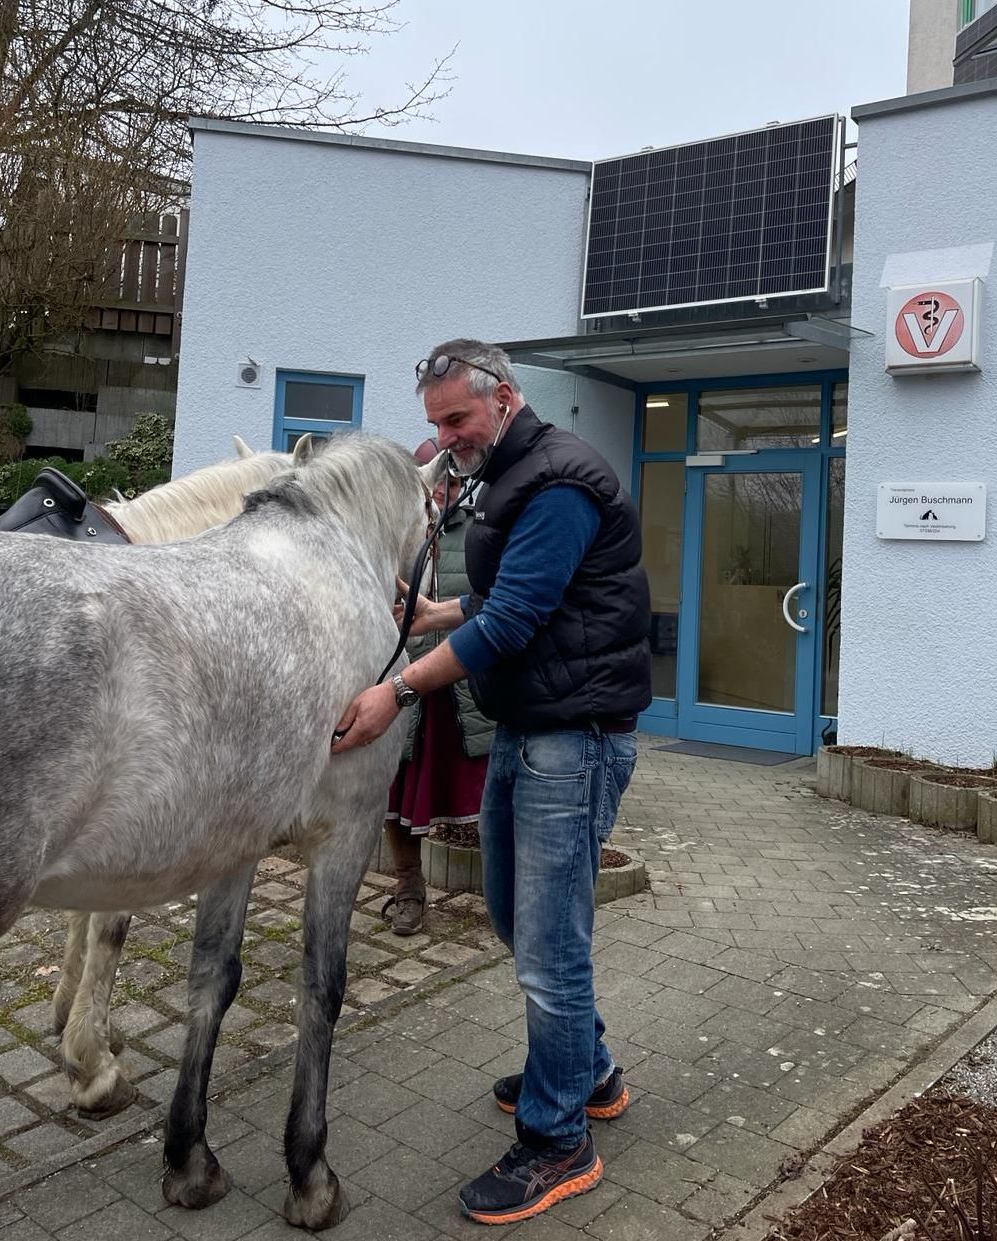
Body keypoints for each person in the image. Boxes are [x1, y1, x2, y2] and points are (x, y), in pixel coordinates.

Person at [333, 339, 652, 1225]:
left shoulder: (557, 481)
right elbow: (513, 592)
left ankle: (558, 1142)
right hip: (529, 726)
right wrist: (439, 612)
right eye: (434, 422)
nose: (444, 438)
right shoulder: (512, 470)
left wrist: (396, 689)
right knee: (516, 913)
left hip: (573, 738)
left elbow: (514, 617)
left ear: (504, 399)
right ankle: (588, 1074)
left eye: (457, 419)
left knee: (551, 945)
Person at [382, 439, 494, 936]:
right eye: (431, 482)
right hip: (406, 685)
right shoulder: (392, 539)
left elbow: (495, 602)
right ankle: (408, 890)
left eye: (448, 482)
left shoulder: (480, 533)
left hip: (466, 688)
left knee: (490, 798)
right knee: (398, 796)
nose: (440, 491)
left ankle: (507, 900)